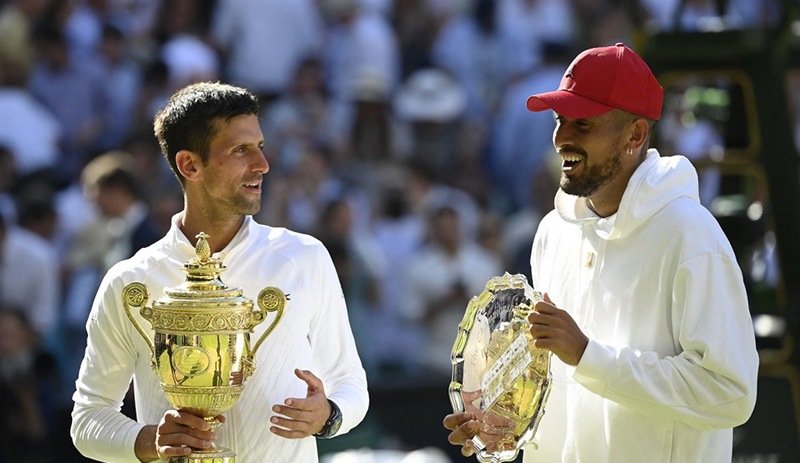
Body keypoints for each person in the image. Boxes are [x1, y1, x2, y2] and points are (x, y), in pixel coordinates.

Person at [443, 42, 758, 462]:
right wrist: (500, 422)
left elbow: (731, 393)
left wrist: (590, 357)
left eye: (583, 124)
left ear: (635, 135)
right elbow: (551, 378)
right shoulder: (552, 232)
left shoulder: (692, 235)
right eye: (559, 121)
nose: (561, 138)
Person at [71, 81, 369, 462]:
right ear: (189, 165)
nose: (262, 165)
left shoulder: (305, 256)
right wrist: (150, 440)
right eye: (240, 150)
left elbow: (349, 382)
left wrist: (329, 415)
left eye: (259, 147)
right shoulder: (129, 281)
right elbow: (88, 417)